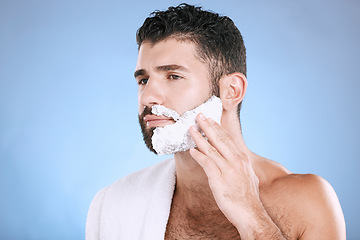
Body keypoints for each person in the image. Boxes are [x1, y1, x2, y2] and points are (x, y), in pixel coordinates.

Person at [86, 3, 346, 239]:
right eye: (143, 80)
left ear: (231, 91)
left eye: (173, 76)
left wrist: (252, 216)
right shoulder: (113, 203)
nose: (148, 96)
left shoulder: (308, 202)